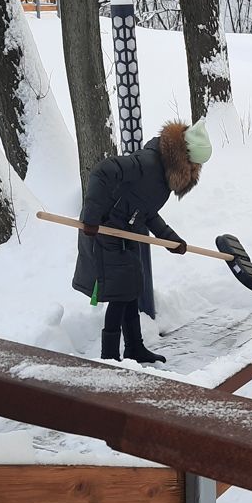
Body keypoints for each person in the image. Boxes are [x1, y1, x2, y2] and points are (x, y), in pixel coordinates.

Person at [72, 119, 212, 365]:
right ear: (185, 158)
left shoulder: (163, 175)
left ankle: (134, 347)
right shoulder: (146, 163)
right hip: (105, 231)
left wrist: (171, 239)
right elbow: (102, 171)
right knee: (119, 295)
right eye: (195, 163)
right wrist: (92, 218)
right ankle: (110, 357)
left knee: (131, 290)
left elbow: (146, 211)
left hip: (126, 233)